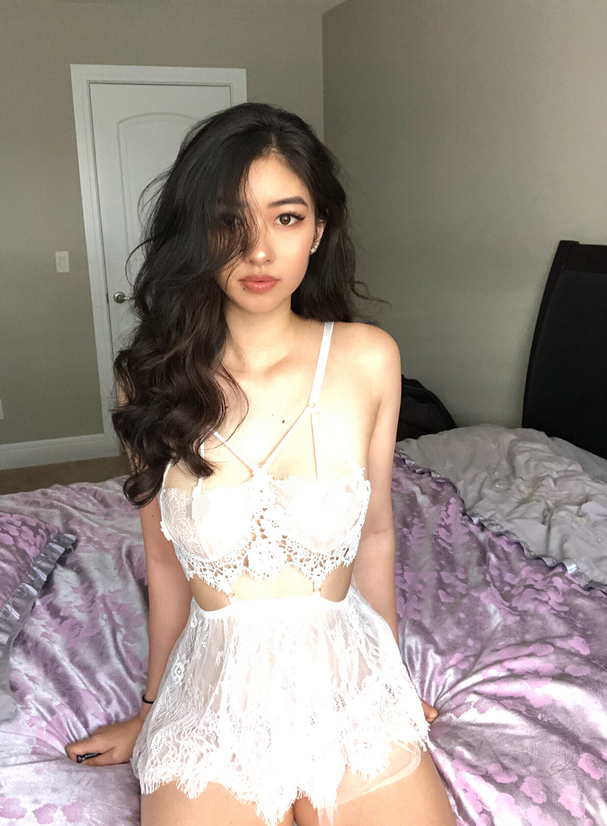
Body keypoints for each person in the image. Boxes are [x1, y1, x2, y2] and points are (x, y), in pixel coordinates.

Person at [66, 103, 455, 826]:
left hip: (347, 680)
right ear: (196, 232)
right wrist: (151, 709)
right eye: (229, 220)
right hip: (213, 694)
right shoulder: (148, 380)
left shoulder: (368, 358)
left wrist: (392, 682)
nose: (259, 251)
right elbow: (163, 563)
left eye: (286, 218)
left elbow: (374, 537)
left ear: (319, 230)